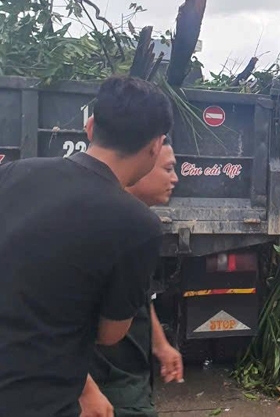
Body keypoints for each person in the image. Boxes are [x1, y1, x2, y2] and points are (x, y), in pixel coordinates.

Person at [0, 75, 173, 417]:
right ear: (155, 146)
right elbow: (110, 334)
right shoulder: (138, 225)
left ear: (91, 127)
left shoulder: (14, 174)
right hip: (43, 400)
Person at [91, 137, 183, 417]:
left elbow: (140, 294)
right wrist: (85, 390)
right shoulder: (106, 226)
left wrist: (160, 345)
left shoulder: (139, 226)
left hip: (130, 378)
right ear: (143, 162)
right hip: (108, 386)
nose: (175, 178)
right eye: (168, 169)